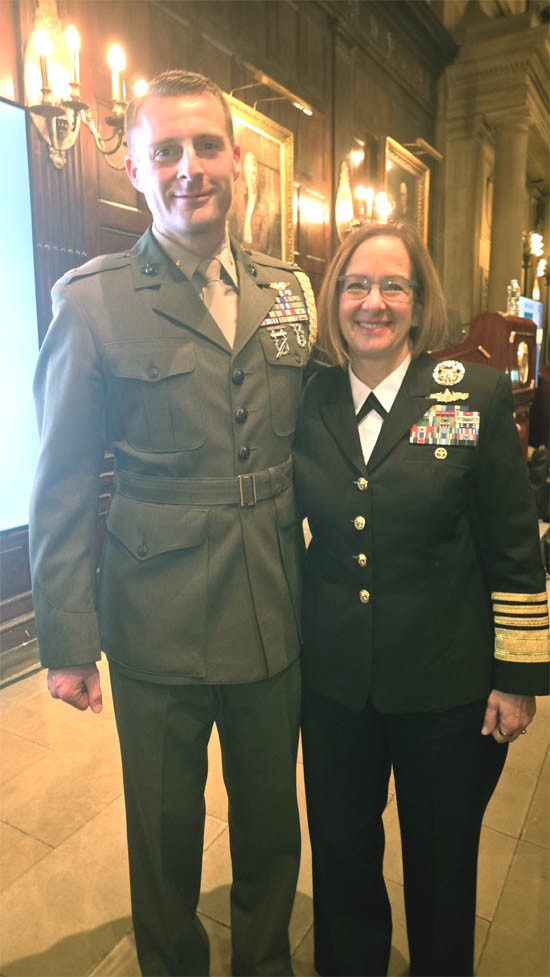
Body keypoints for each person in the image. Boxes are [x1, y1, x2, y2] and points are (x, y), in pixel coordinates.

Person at [29, 70, 316, 977]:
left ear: (238, 163)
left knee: (273, 821)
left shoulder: (289, 290)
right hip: (153, 615)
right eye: (166, 152)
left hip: (273, 604)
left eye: (206, 147)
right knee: (163, 833)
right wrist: (68, 641)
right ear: (136, 169)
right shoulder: (93, 300)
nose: (189, 168)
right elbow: (64, 481)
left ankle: (264, 961)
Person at [293, 220, 549, 977]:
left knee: (443, 864)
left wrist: (518, 676)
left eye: (392, 285)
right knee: (341, 855)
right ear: (335, 297)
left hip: (447, 686)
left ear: (419, 298)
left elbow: (514, 545)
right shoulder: (309, 399)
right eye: (356, 285)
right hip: (335, 681)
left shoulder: (470, 393)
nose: (373, 302)